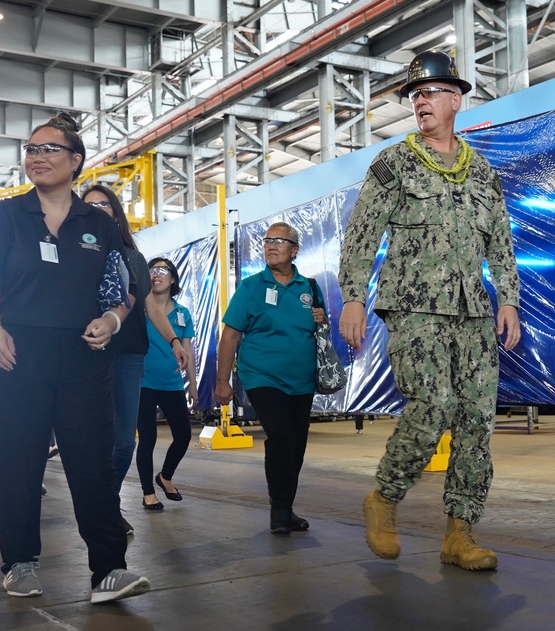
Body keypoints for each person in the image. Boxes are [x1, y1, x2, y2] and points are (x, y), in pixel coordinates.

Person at [337, 51, 522, 571]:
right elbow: (362, 233)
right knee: (432, 404)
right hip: (414, 306)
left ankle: (459, 535)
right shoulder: (393, 164)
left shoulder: (481, 170)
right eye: (414, 94)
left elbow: (500, 239)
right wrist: (354, 295)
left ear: (455, 100)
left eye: (430, 91)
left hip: (473, 312)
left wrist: (508, 297)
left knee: (475, 421)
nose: (420, 100)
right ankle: (386, 497)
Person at [0, 113, 149, 603]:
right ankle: (20, 562)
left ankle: (109, 570)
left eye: (50, 149)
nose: (38, 156)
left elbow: (122, 291)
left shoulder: (98, 225)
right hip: (14, 354)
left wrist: (111, 321)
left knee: (92, 463)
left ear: (76, 161)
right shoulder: (6, 216)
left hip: (83, 357)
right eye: (32, 149)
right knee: (17, 461)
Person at [81, 186, 190, 533]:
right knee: (90, 436)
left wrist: (173, 339)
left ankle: (105, 507)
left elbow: (151, 306)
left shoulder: (132, 256)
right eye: (90, 205)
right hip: (85, 353)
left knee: (125, 439)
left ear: (116, 212)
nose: (98, 209)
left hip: (128, 354)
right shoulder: (73, 251)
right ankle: (100, 509)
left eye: (104, 204)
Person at [215, 222, 327, 534]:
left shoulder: (310, 288)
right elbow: (230, 336)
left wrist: (321, 317)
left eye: (279, 241)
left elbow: (321, 329)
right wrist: (222, 381)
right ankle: (279, 510)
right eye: (266, 241)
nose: (270, 246)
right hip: (261, 376)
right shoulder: (251, 288)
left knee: (297, 445)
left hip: (302, 380)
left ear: (294, 250)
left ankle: (287, 506)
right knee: (281, 436)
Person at [135, 257, 198, 511]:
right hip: (143, 384)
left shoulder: (182, 314)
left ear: (173, 278)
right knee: (147, 438)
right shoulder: (140, 310)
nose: (155, 275)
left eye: (162, 270)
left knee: (183, 435)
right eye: (152, 270)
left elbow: (187, 349)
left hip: (172, 383)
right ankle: (148, 492)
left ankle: (165, 476)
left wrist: (192, 384)